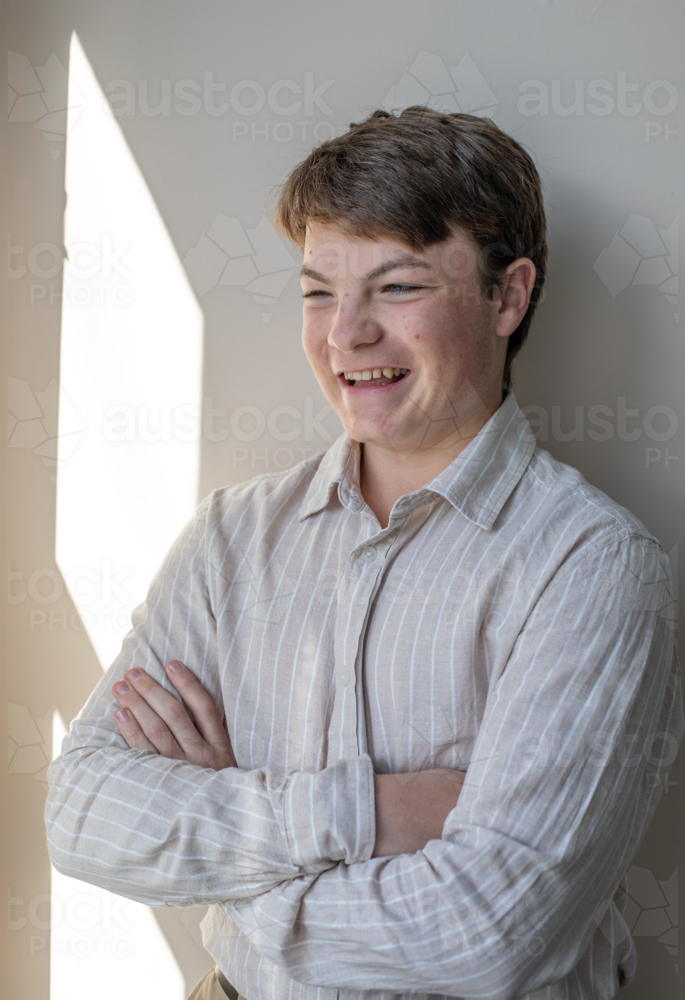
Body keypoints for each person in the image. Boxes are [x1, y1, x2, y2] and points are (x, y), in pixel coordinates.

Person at [46, 107, 682, 1000]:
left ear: (507, 296)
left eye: (396, 287)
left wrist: (229, 867)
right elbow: (81, 817)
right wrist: (364, 812)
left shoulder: (593, 568)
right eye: (317, 291)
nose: (344, 334)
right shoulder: (230, 539)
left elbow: (486, 936)